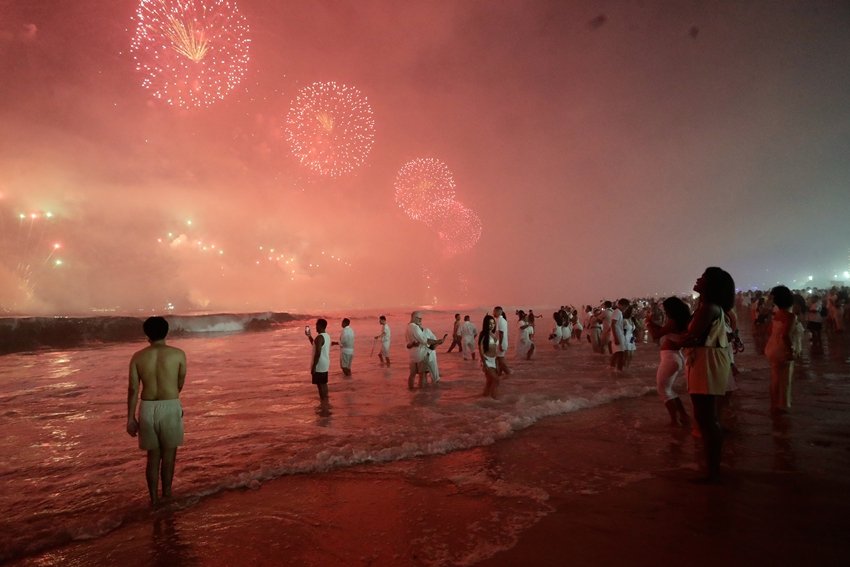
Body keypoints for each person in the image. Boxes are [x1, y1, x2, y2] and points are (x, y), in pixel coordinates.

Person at [671, 267, 735, 482]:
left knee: (706, 417)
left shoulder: (708, 308)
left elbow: (690, 336)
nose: (698, 279)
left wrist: (671, 340)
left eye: (703, 278)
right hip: (706, 360)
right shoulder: (710, 307)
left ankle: (713, 473)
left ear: (711, 285)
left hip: (706, 362)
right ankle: (711, 469)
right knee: (706, 416)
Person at [126, 316, 187, 507]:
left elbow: (133, 389)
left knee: (152, 458)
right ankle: (167, 496)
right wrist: (173, 402)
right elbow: (179, 383)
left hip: (147, 407)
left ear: (147, 334)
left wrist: (130, 418)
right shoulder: (178, 354)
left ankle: (153, 501)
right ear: (166, 332)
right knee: (168, 457)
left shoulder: (138, 357)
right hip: (170, 405)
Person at [646, 297, 691, 426]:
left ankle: (674, 421)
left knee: (663, 390)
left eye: (666, 309)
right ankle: (683, 416)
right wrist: (651, 323)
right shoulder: (680, 321)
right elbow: (663, 330)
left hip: (670, 358)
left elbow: (656, 335)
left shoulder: (673, 321)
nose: (665, 312)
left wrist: (648, 323)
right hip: (675, 357)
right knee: (668, 389)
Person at [765, 285, 799, 414]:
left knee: (775, 378)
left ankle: (773, 404)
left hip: (772, 347)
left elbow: (770, 330)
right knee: (785, 379)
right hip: (781, 349)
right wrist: (790, 351)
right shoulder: (790, 316)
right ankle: (781, 405)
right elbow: (785, 335)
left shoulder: (777, 314)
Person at [306, 318, 331, 401]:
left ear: (320, 326)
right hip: (325, 363)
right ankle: (326, 400)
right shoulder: (327, 336)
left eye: (316, 325)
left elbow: (318, 353)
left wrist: (314, 366)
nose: (316, 327)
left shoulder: (319, 337)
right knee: (324, 383)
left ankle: (323, 402)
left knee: (320, 385)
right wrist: (309, 336)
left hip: (319, 364)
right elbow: (315, 345)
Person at [405, 311, 430, 389]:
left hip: (412, 355)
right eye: (418, 318)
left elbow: (407, 344)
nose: (420, 320)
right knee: (422, 375)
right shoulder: (416, 327)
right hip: (420, 354)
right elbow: (424, 340)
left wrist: (413, 344)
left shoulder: (408, 327)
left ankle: (411, 391)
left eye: (421, 318)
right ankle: (421, 393)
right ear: (413, 318)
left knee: (412, 374)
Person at [478, 315, 500, 398]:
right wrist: (484, 364)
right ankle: (494, 399)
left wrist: (497, 362)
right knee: (496, 380)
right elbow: (480, 349)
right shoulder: (483, 334)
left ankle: (485, 398)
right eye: (489, 323)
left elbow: (496, 350)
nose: (492, 325)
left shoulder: (493, 334)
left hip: (493, 360)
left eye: (493, 323)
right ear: (485, 324)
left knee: (490, 381)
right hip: (486, 360)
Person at [610, 299, 629, 371]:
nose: (625, 309)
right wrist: (616, 338)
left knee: (616, 353)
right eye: (625, 307)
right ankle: (619, 370)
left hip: (618, 335)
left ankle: (612, 368)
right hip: (617, 335)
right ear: (621, 305)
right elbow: (613, 324)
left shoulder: (618, 312)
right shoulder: (617, 312)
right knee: (620, 354)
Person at [493, 306, 511, 375]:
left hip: (500, 343)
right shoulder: (502, 320)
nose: (493, 313)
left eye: (494, 311)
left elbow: (501, 332)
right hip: (501, 342)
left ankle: (509, 372)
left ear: (499, 312)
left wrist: (500, 344)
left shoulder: (500, 320)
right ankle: (499, 374)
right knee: (498, 360)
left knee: (500, 360)